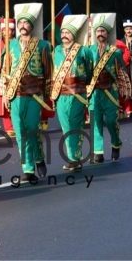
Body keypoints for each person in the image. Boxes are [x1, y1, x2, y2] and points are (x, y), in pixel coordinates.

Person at [3, 3, 52, 182]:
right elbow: (4, 72)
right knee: (20, 132)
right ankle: (28, 168)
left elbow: (49, 72)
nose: (22, 25)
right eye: (20, 22)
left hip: (34, 95)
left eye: (26, 22)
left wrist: (47, 96)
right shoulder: (10, 46)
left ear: (31, 26)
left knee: (32, 129)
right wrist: (4, 94)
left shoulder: (42, 45)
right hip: (16, 94)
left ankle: (39, 157)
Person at [87, 13, 131, 163]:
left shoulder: (115, 51)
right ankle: (98, 152)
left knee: (112, 121)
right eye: (98, 31)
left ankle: (115, 143)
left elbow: (122, 72)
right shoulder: (89, 51)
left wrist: (125, 90)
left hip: (110, 91)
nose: (100, 33)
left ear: (107, 33)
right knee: (95, 122)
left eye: (103, 31)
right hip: (94, 92)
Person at [51, 15, 92, 171]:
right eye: (62, 32)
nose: (64, 35)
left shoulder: (83, 51)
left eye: (68, 32)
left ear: (74, 34)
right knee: (66, 126)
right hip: (61, 94)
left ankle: (75, 158)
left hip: (77, 94)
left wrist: (83, 86)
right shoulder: (56, 51)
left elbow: (89, 71)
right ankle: (72, 156)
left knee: (75, 124)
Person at [0, 18, 16, 138]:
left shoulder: (18, 43)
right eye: (5, 30)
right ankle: (9, 126)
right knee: (4, 104)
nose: (7, 32)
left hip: (16, 77)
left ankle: (17, 124)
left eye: (10, 30)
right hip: (3, 78)